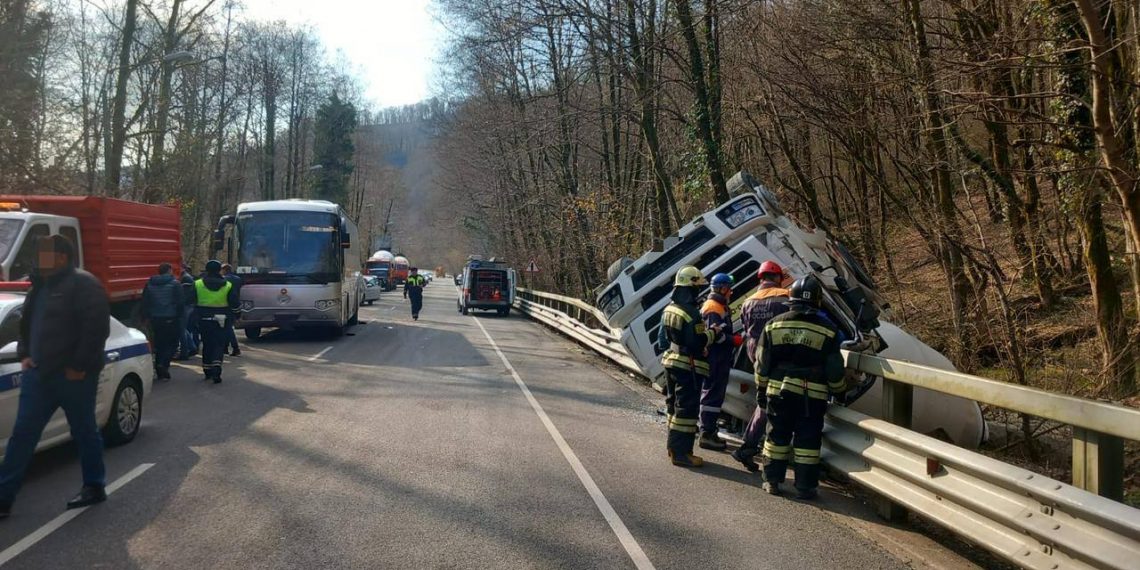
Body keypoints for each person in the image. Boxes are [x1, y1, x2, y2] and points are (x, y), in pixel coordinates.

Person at [0, 235, 111, 519]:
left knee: (84, 431)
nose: (39, 259)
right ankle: (3, 497)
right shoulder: (40, 285)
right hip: (38, 375)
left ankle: (94, 486)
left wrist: (79, 366)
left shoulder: (84, 284)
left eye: (45, 254)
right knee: (22, 435)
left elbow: (96, 330)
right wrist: (24, 352)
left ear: (62, 256)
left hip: (73, 377)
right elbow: (26, 325)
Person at [757, 275, 846, 499]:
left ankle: (772, 481)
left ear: (792, 299)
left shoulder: (773, 325)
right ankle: (805, 487)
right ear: (817, 301)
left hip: (778, 391)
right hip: (812, 396)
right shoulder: (829, 330)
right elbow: (835, 367)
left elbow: (762, 362)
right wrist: (839, 391)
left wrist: (761, 389)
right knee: (808, 441)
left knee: (776, 436)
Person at [731, 261, 791, 472]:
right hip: (777, 352)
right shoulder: (784, 297)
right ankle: (750, 447)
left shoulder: (748, 302)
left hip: (755, 352)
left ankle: (749, 446)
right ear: (777, 277)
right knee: (770, 402)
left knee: (765, 399)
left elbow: (747, 329)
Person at [660, 266, 718, 467]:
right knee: (686, 411)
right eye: (697, 287)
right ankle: (681, 453)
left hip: (671, 362)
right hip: (688, 367)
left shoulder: (669, 309)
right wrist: (713, 334)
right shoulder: (692, 313)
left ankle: (672, 446)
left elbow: (663, 339)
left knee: (673, 406)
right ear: (690, 288)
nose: (698, 291)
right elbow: (698, 342)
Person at [698, 273, 742, 451]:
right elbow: (716, 335)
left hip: (719, 358)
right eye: (729, 288)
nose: (731, 292)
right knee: (712, 396)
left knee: (713, 395)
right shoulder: (713, 307)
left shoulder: (718, 305)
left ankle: (709, 431)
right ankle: (706, 434)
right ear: (723, 288)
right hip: (715, 358)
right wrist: (735, 340)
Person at [188, 260, 239, 383]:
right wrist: (237, 315)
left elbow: (190, 300)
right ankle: (217, 365)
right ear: (219, 270)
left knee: (207, 343)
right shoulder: (227, 285)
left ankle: (207, 370)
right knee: (219, 344)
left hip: (203, 319)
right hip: (222, 319)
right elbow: (234, 304)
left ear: (206, 269)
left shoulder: (197, 284)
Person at [142, 262, 184, 380]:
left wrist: (147, 317)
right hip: (171, 317)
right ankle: (163, 364)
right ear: (169, 270)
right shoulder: (175, 284)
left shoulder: (149, 284)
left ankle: (159, 367)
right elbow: (180, 302)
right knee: (173, 343)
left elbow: (145, 301)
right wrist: (179, 315)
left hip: (155, 318)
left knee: (159, 343)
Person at [176, 263, 198, 360]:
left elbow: (184, 295)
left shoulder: (186, 279)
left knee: (181, 329)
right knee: (183, 329)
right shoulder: (186, 278)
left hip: (186, 306)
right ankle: (192, 347)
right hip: (188, 305)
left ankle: (184, 352)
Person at [221, 264, 242, 356]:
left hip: (225, 305)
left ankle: (235, 348)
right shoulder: (238, 279)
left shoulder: (224, 280)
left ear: (225, 270)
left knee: (227, 328)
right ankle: (225, 348)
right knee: (227, 327)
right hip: (235, 304)